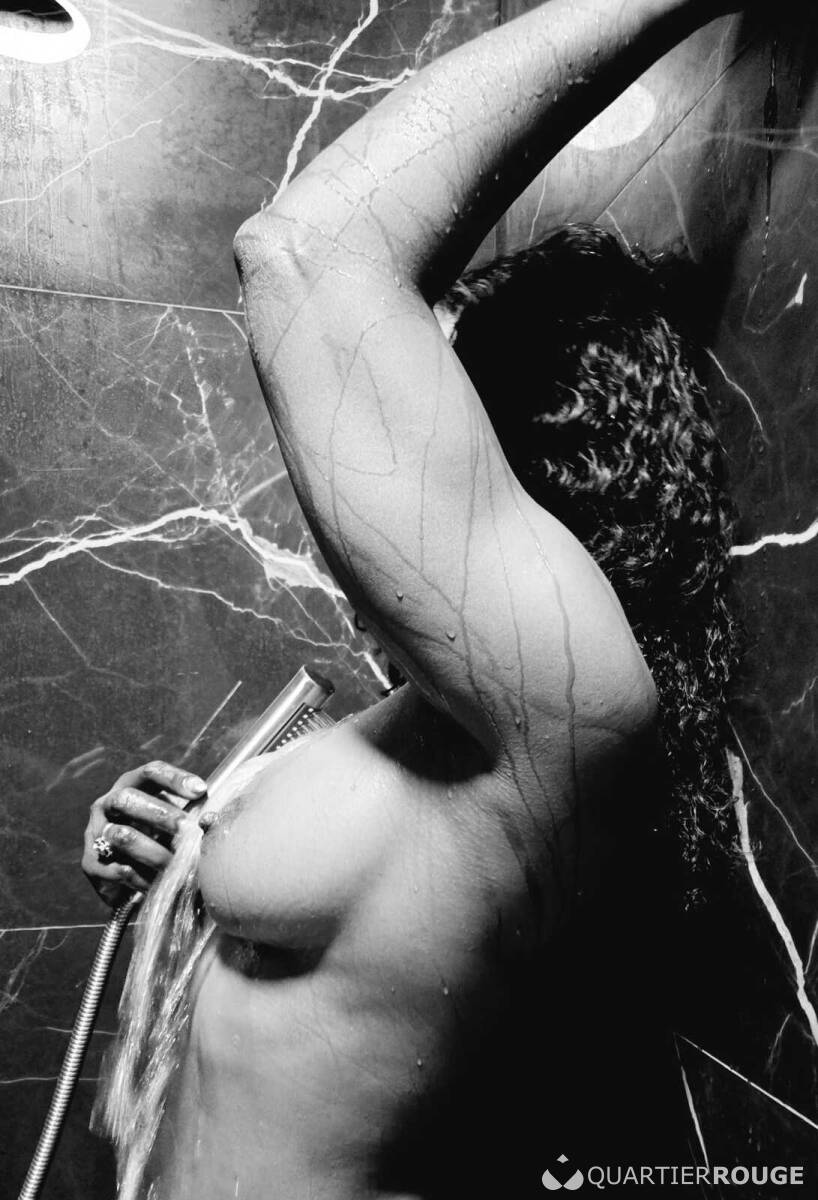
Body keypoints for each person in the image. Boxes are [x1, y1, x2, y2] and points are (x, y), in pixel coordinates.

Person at [82, 1, 743, 1196]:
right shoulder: (477, 732)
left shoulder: (565, 718)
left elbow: (308, 254)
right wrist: (169, 863)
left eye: (437, 383)